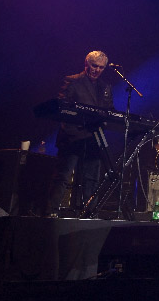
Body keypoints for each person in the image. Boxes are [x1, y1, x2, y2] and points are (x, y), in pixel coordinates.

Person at [45, 51, 114, 216]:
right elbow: (63, 108)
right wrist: (73, 130)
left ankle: (90, 213)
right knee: (63, 176)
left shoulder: (105, 87)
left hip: (93, 138)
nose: (97, 70)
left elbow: (109, 111)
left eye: (101, 67)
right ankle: (50, 211)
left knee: (92, 179)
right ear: (86, 64)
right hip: (73, 137)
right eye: (94, 66)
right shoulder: (73, 81)